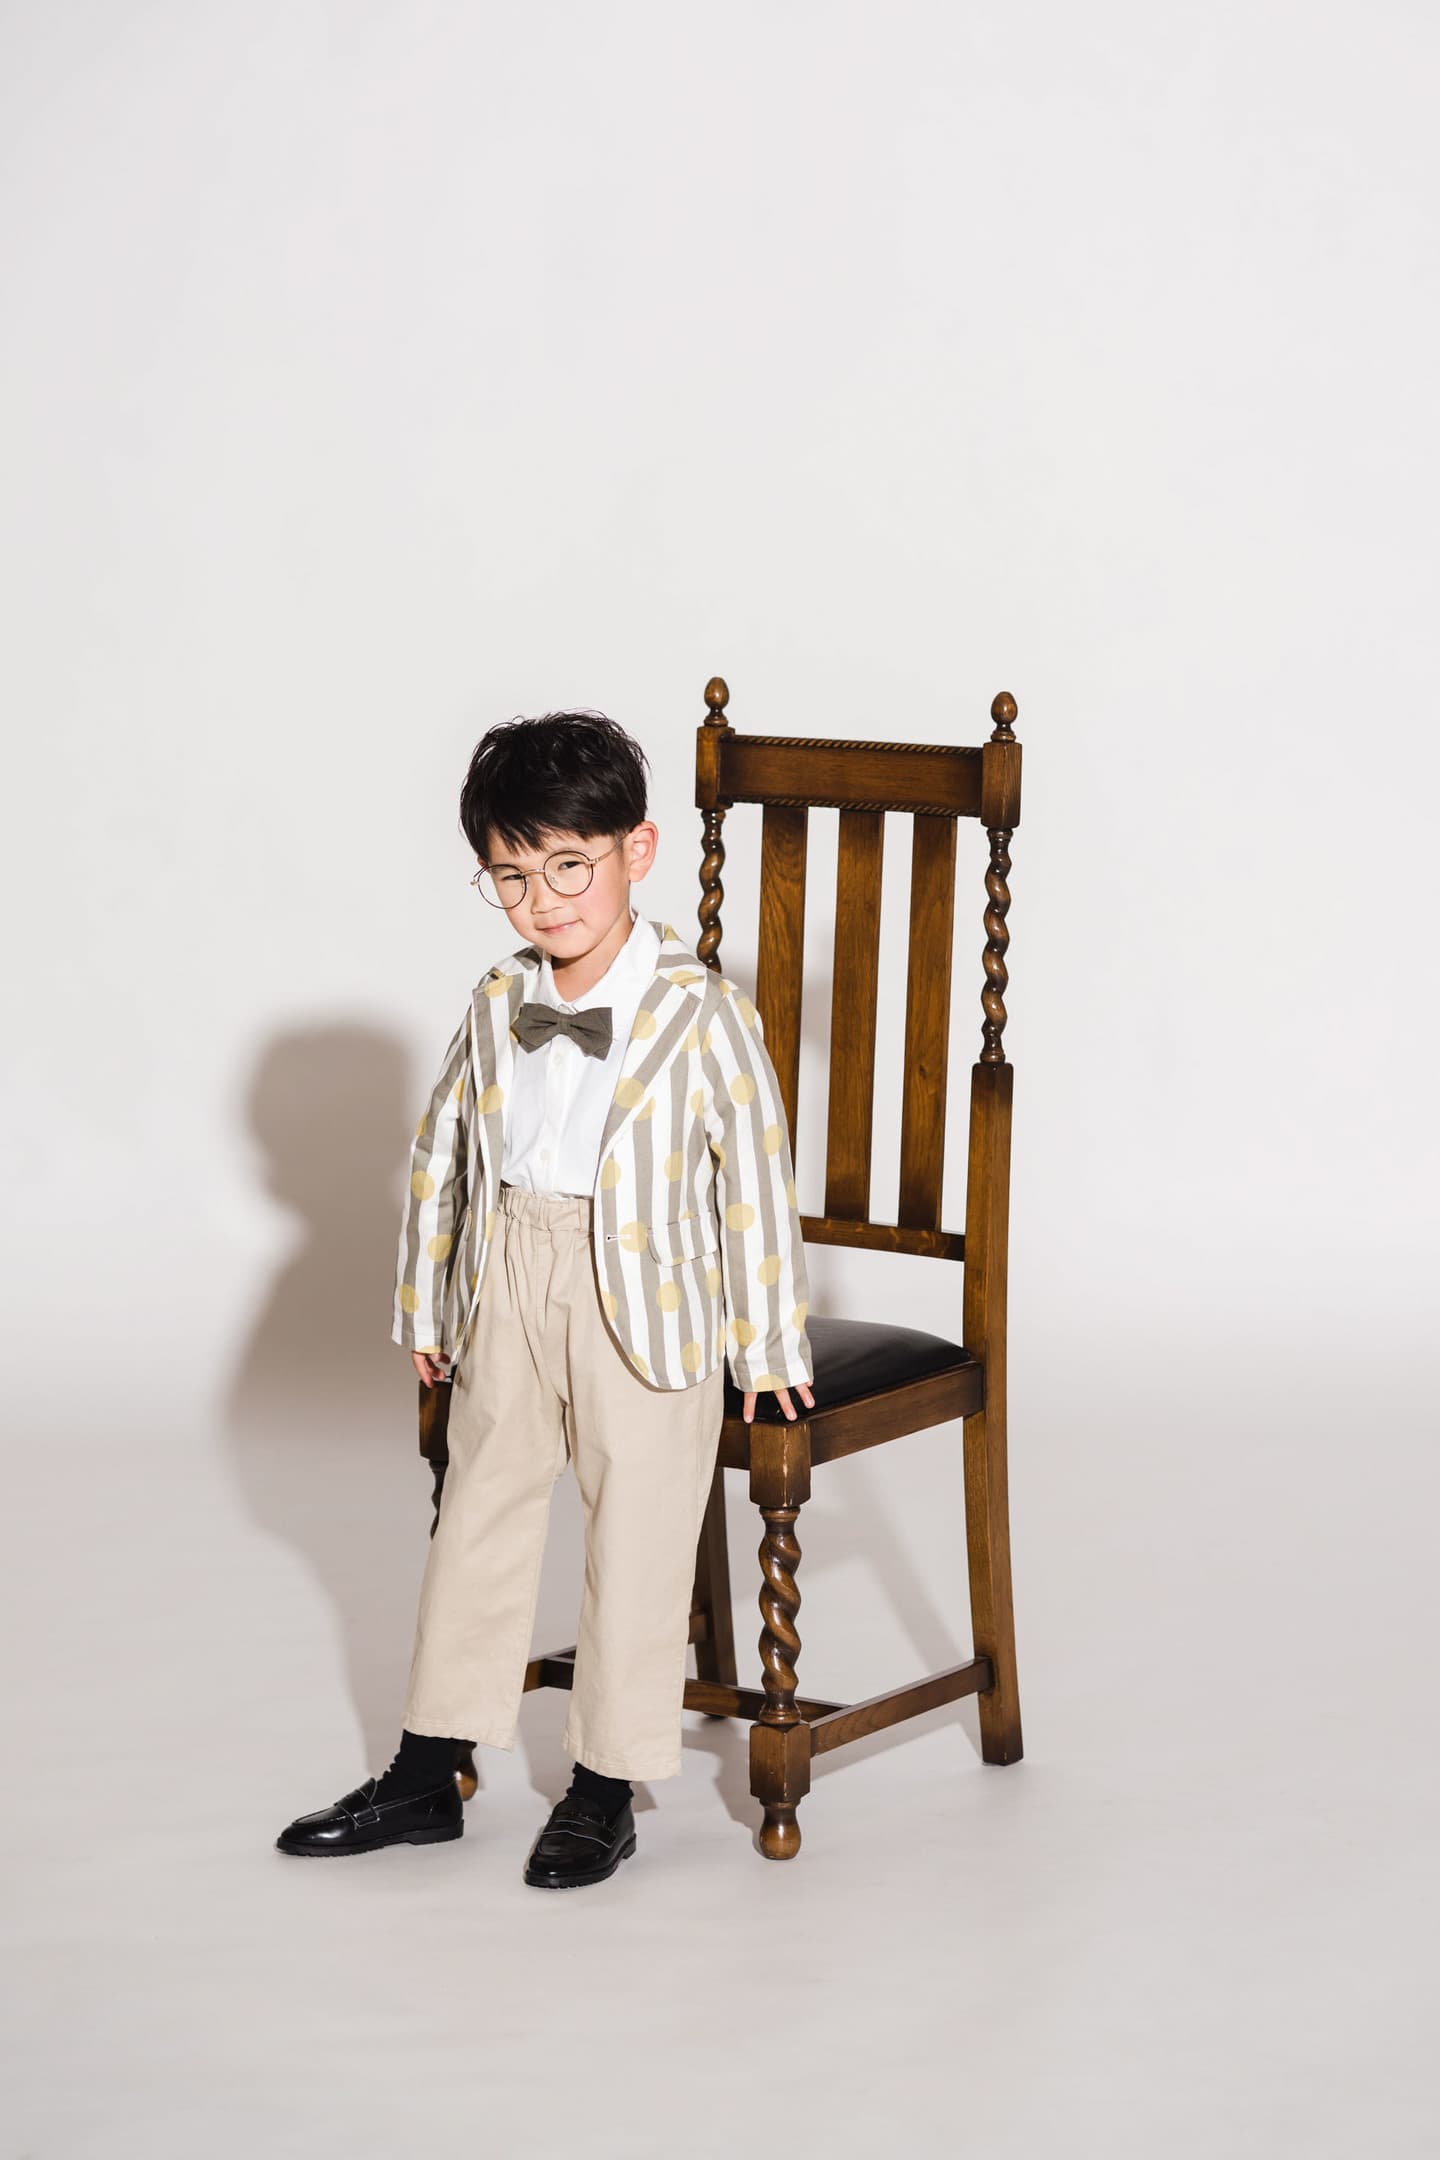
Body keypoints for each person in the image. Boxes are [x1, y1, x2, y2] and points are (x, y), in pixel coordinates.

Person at [276, 708, 815, 1886]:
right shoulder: (496, 997)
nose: (544, 901)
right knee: (479, 1508)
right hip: (510, 1273)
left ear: (637, 849)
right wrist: (428, 1306)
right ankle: (427, 1769)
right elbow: (442, 1154)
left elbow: (755, 1177)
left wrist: (770, 1345)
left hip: (650, 1295)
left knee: (637, 1531)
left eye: (570, 866)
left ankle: (606, 1786)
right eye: (512, 878)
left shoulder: (702, 1010)